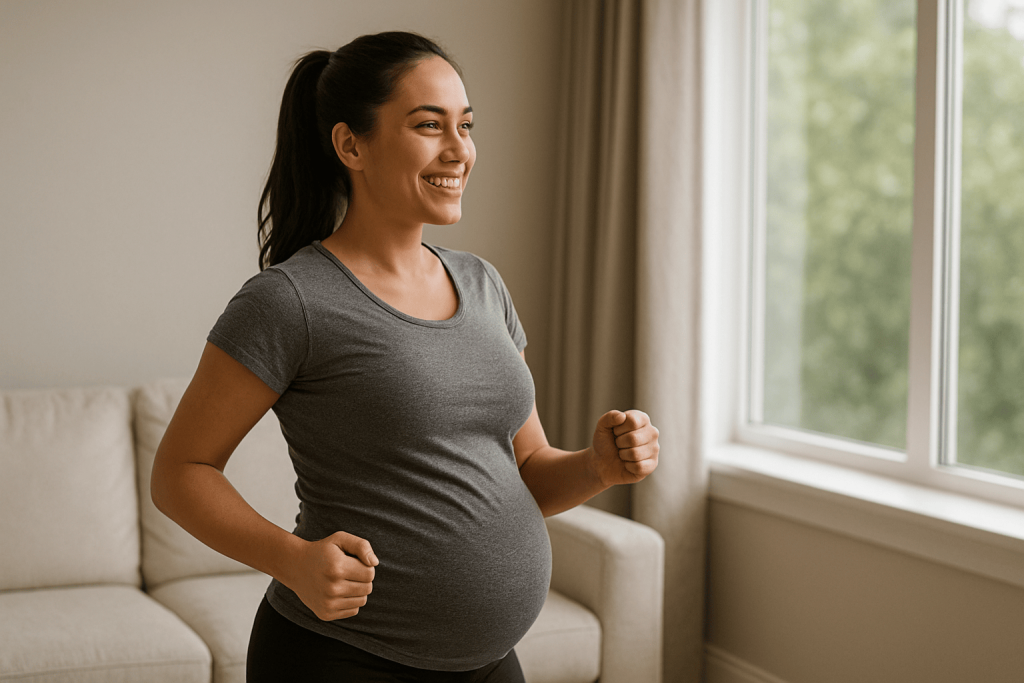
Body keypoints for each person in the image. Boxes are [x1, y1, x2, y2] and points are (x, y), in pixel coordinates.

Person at [150, 31, 660, 683]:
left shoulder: (483, 284)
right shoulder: (291, 301)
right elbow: (180, 471)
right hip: (343, 658)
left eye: (466, 126)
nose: (460, 151)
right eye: (429, 126)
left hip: (488, 661)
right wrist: (293, 558)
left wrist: (598, 465)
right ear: (351, 144)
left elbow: (529, 469)